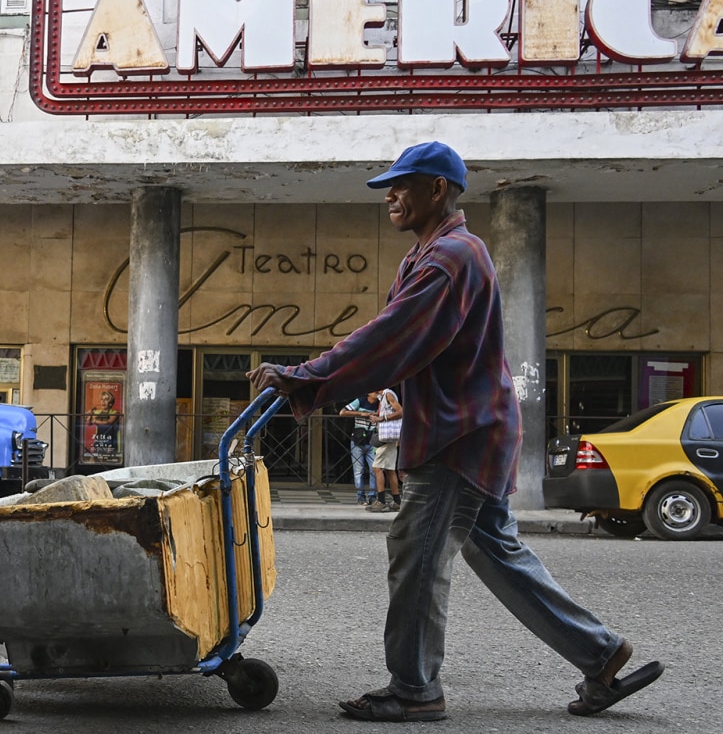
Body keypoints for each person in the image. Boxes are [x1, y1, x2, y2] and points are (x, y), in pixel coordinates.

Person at [247, 142, 662, 722]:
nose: (390, 196)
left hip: (457, 437)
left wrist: (305, 377)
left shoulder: (450, 258)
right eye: (388, 187)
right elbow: (397, 339)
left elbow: (391, 338)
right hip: (469, 429)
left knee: (415, 551)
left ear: (437, 188)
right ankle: (601, 653)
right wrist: (313, 380)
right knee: (496, 552)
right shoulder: (432, 254)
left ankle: (414, 689)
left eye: (402, 185)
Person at [339, 392, 382, 505]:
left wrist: (377, 415)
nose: (377, 394)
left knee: (374, 469)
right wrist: (362, 414)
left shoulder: (381, 403)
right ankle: (360, 497)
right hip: (357, 441)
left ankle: (372, 496)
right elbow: (342, 412)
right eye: (375, 392)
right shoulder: (360, 401)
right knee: (358, 471)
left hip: (373, 440)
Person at [369, 388, 403, 512]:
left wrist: (382, 418)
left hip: (387, 437)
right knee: (389, 470)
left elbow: (400, 412)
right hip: (389, 437)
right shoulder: (383, 396)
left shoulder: (387, 394)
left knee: (377, 468)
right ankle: (397, 501)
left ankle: (381, 501)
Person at [88, 389, 121, 458]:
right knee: (97, 458)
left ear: (110, 403)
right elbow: (89, 423)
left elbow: (108, 422)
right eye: (102, 399)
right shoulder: (97, 412)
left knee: (110, 458)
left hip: (110, 439)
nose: (103, 401)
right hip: (99, 439)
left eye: (106, 400)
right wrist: (90, 414)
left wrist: (95, 420)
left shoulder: (115, 413)